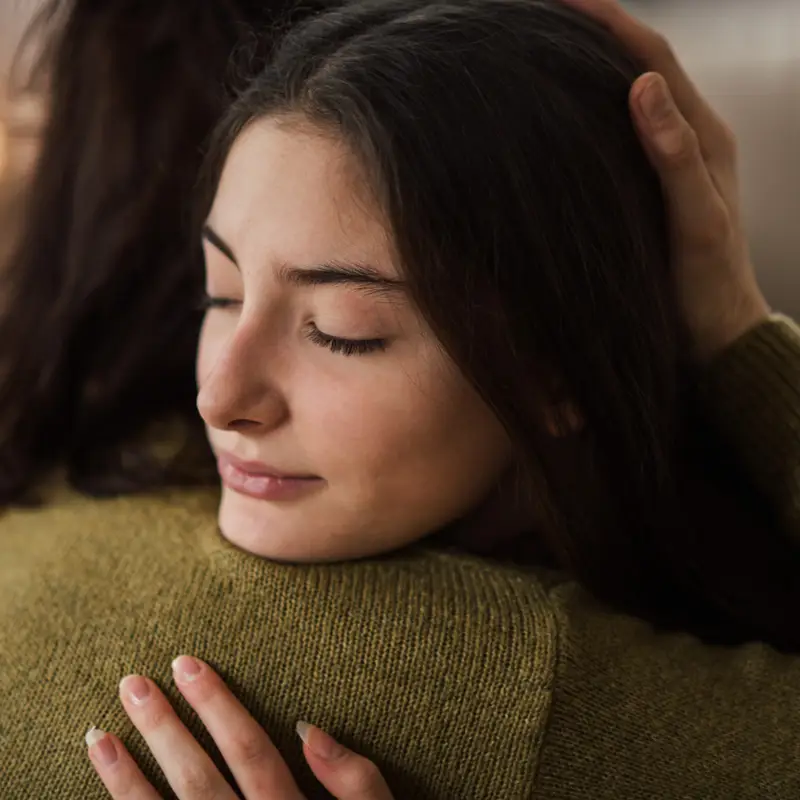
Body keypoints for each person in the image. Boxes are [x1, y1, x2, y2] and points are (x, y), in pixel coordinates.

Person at [2, 0, 800, 798]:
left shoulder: (66, 456)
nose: (221, 397)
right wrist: (736, 327)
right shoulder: (519, 689)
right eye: (220, 294)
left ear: (557, 372)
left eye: (342, 332)